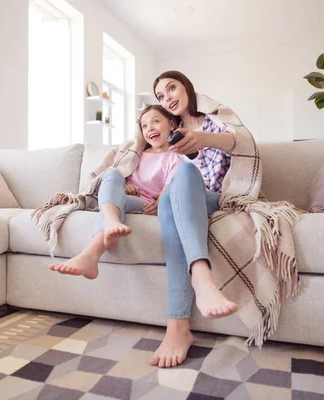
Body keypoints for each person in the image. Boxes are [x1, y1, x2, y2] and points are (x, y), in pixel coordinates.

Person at [149, 70, 239, 368]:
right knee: (170, 199)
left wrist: (200, 138)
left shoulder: (215, 118)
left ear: (187, 87)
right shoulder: (169, 130)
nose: (167, 97)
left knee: (186, 172)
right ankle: (179, 326)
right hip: (179, 201)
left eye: (171, 88)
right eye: (161, 96)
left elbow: (240, 142)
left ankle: (197, 281)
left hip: (215, 198)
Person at [49, 105, 183, 280]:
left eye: (156, 121)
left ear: (172, 124)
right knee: (112, 173)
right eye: (144, 126)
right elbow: (119, 177)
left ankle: (92, 253)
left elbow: (169, 186)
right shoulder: (135, 154)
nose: (150, 128)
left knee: (111, 204)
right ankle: (111, 222)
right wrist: (125, 186)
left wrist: (159, 204)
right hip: (121, 197)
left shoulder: (174, 157)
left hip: (144, 203)